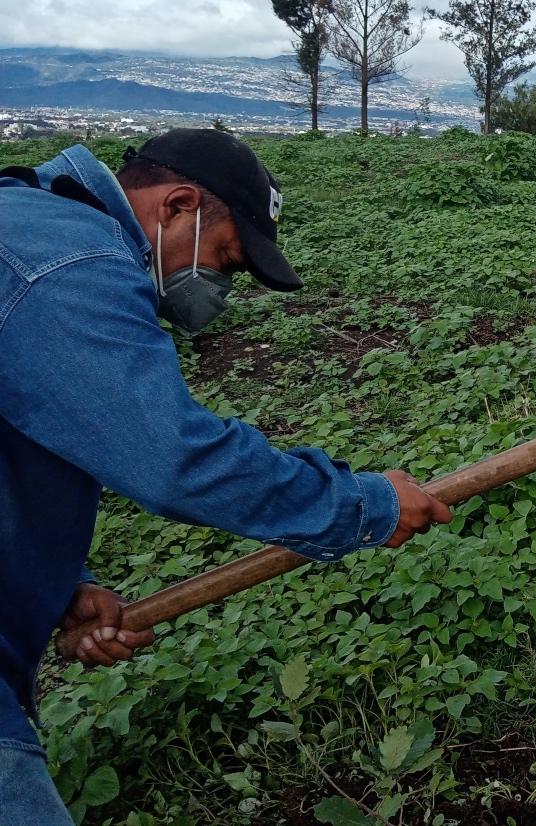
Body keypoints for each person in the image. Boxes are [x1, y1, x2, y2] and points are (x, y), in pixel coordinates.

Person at [0, 130, 452, 823]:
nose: (217, 291)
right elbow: (175, 459)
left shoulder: (32, 227)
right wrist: (362, 505)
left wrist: (53, 589)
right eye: (224, 261)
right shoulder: (69, 264)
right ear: (179, 205)